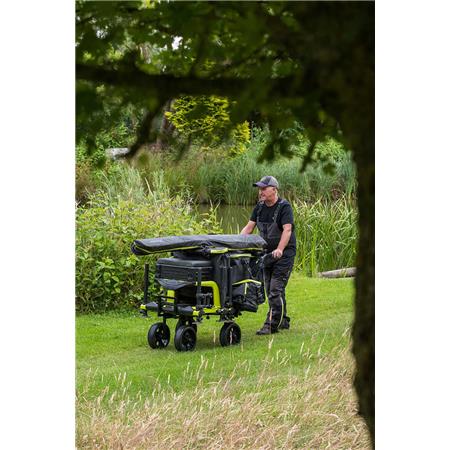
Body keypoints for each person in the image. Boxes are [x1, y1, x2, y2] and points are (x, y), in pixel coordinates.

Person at [241, 176, 297, 335]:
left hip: (284, 254)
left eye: (264, 189)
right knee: (272, 289)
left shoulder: (284, 207)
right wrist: (235, 243)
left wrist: (280, 249)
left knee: (275, 290)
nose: (261, 192)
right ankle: (283, 320)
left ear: (274, 189)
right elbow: (248, 228)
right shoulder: (259, 207)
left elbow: (287, 230)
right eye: (260, 189)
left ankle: (271, 324)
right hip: (266, 254)